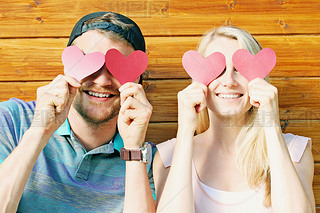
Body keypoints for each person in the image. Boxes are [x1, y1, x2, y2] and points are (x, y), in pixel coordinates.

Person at [0, 12, 156, 212]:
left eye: (116, 68)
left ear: (136, 81)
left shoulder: (146, 159)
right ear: (68, 67)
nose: (102, 81)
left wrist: (133, 148)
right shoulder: (11, 120)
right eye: (90, 63)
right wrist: (40, 131)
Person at [153, 26, 315, 212]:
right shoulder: (168, 156)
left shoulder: (295, 151)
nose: (229, 81)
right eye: (218, 69)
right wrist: (185, 131)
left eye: (240, 69)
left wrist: (270, 125)